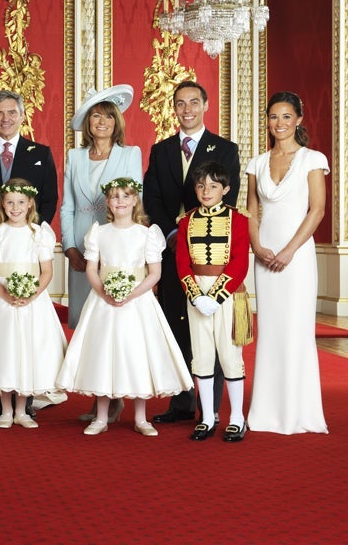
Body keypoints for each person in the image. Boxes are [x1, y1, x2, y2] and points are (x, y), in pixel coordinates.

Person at [56, 178, 192, 437]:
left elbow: (154, 273)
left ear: (134, 202)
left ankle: (141, 417)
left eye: (126, 196)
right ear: (107, 202)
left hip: (137, 303)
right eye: (115, 196)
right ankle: (102, 416)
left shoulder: (146, 233)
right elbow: (92, 270)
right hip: (104, 302)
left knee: (136, 355)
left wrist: (131, 294)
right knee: (103, 354)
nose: (120, 201)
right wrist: (104, 292)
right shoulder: (99, 232)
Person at [142, 80, 238, 425]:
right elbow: (150, 196)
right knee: (176, 324)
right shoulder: (161, 149)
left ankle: (209, 407)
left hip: (209, 254)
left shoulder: (225, 149)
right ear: (174, 108)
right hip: (171, 252)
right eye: (180, 103)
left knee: (208, 325)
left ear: (205, 105)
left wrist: (191, 234)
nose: (187, 109)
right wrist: (171, 232)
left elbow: (229, 197)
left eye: (194, 102)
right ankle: (182, 402)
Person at [246, 92, 329, 435]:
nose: (278, 124)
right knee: (271, 331)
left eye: (285, 117)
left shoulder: (312, 159)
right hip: (265, 256)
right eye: (272, 117)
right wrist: (257, 246)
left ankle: (298, 411)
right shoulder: (257, 163)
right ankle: (265, 411)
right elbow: (251, 211)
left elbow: (317, 210)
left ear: (298, 119)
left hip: (297, 258)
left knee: (296, 330)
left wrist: (290, 250)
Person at [60, 86, 141, 423]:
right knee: (87, 325)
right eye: (96, 116)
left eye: (108, 116)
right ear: (87, 122)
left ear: (116, 121)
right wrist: (69, 247)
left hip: (116, 248)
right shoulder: (74, 157)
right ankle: (100, 399)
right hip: (81, 248)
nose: (102, 122)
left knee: (116, 323)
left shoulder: (130, 154)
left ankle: (117, 395)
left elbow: (134, 199)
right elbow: (66, 206)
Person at [0, 179, 65, 429]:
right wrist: (6, 295)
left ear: (30, 204)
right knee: (3, 349)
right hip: (0, 300)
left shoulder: (39, 234)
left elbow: (47, 272)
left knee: (28, 349)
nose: (15, 208)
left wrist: (30, 295)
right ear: (2, 205)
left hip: (32, 301)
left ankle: (22, 410)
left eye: (20, 202)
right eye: (9, 203)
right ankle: (6, 409)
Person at [0, 90, 58, 310]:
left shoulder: (41, 154)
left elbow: (50, 199)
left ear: (23, 115)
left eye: (12, 112)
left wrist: (31, 233)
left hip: (26, 249)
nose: (6, 119)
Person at [176, 161, 251, 442]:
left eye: (213, 186)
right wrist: (196, 296)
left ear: (226, 189)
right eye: (201, 185)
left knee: (231, 358)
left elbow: (240, 261)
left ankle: (237, 419)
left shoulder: (239, 219)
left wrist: (216, 296)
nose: (206, 191)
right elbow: (183, 262)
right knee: (202, 356)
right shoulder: (186, 221)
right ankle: (207, 418)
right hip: (196, 293)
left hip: (228, 294)